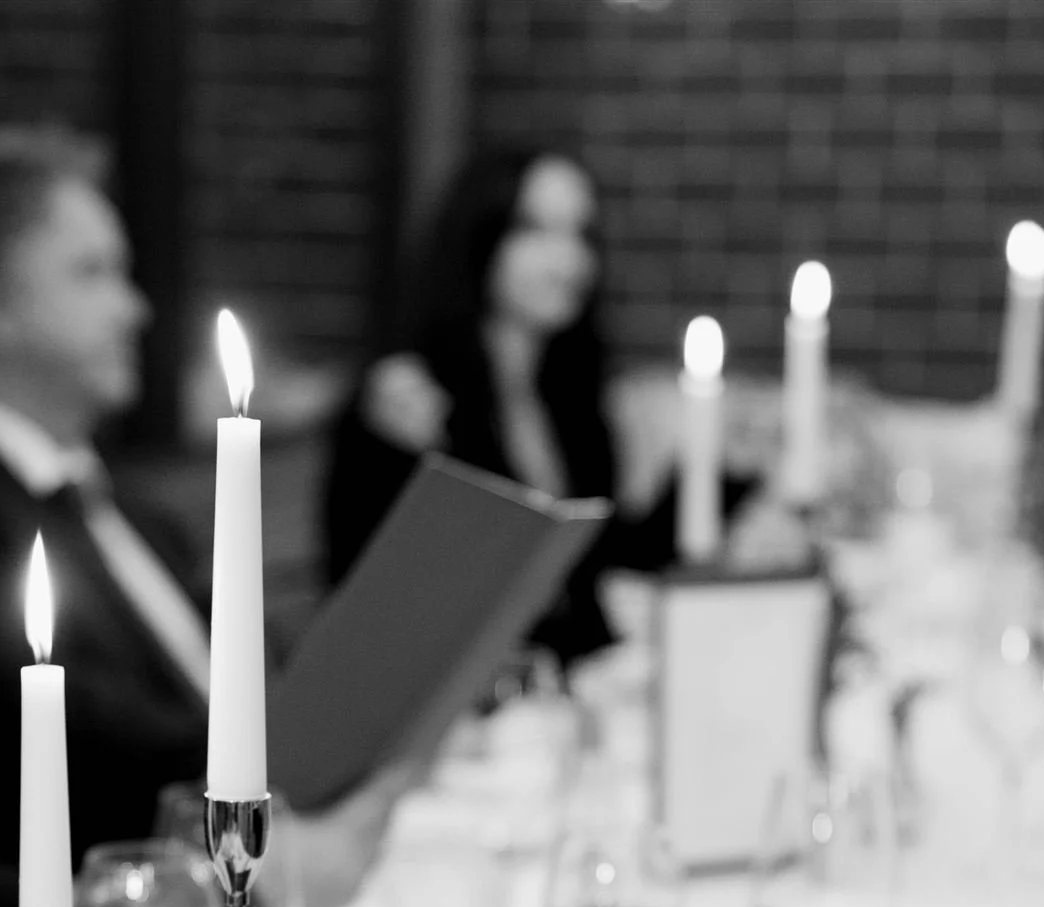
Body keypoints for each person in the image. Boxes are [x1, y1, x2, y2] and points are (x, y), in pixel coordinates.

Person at [0, 126, 399, 907]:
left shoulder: (126, 508)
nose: (135, 310)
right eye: (91, 272)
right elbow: (68, 737)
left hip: (250, 888)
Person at [322, 146, 756, 661]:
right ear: (480, 237)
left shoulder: (568, 395)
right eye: (535, 230)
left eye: (581, 233)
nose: (567, 260)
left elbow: (599, 558)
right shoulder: (407, 399)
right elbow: (388, 595)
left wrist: (714, 469)